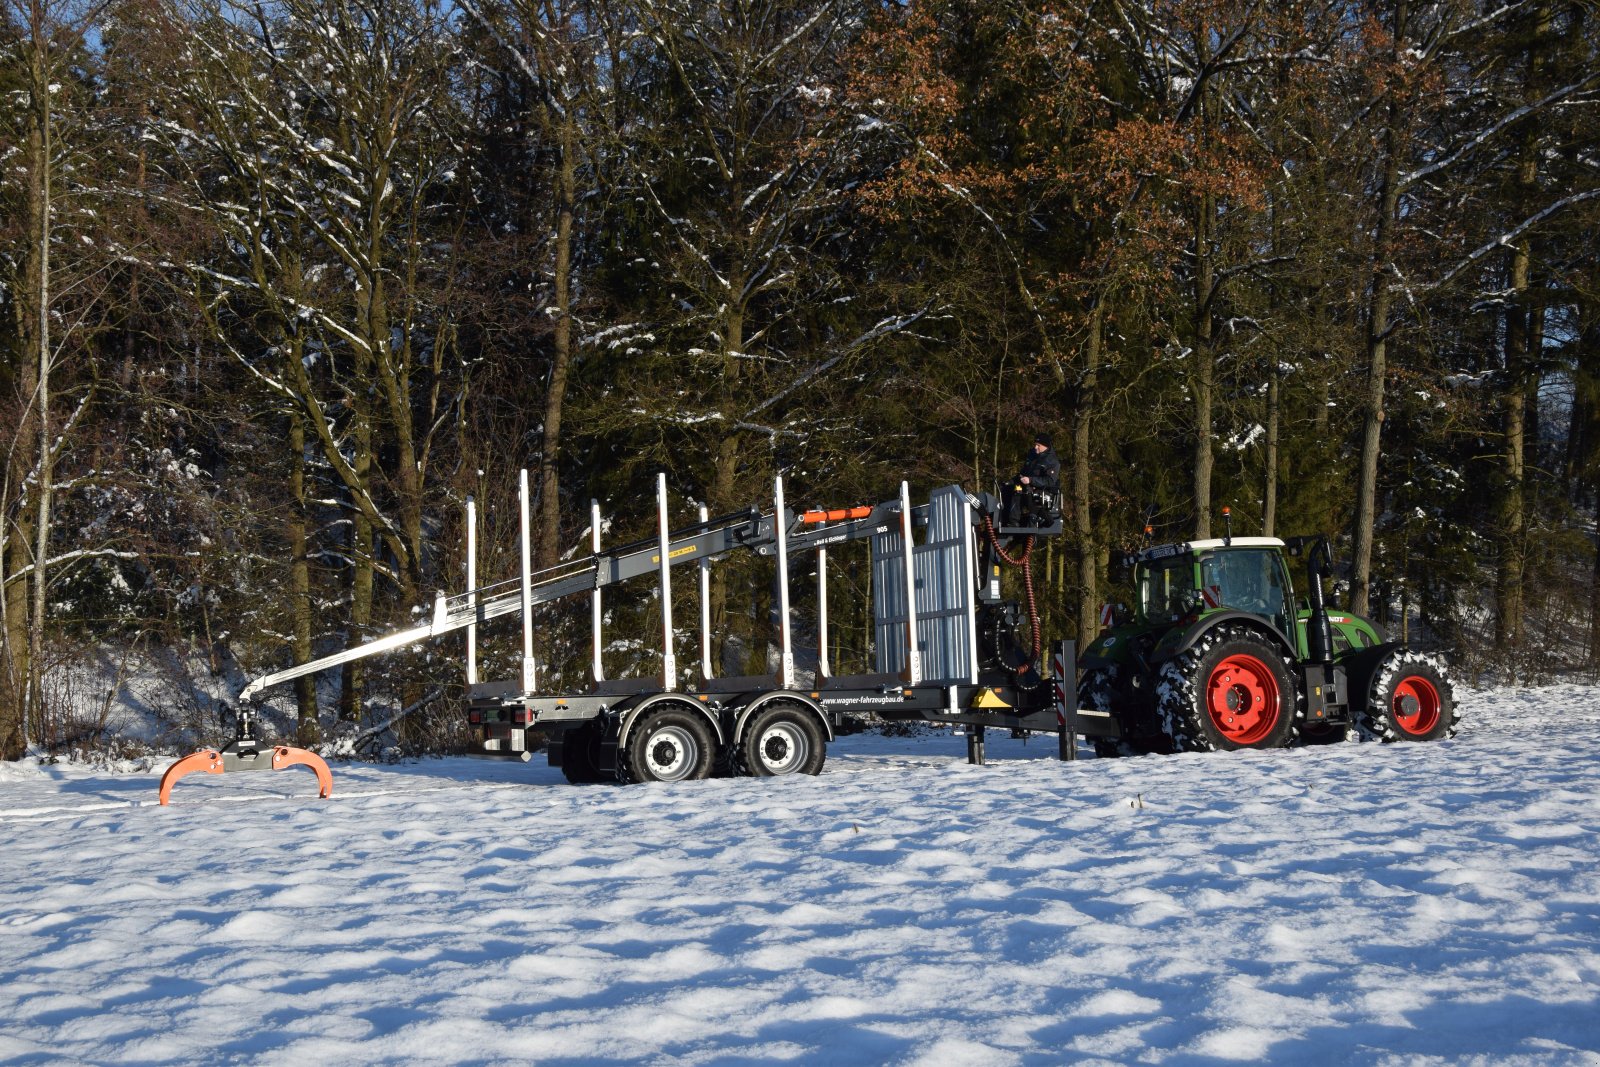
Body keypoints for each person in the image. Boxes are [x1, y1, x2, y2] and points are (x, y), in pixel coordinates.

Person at [1003, 433, 1061, 527]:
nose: (1035, 447)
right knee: (1007, 489)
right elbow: (1023, 473)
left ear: (1045, 446)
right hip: (1028, 486)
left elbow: (1050, 481)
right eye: (1035, 444)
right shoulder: (1032, 455)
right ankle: (1004, 520)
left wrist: (1031, 480)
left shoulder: (1052, 461)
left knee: (1018, 491)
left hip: (1042, 490)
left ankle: (1013, 523)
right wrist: (1011, 481)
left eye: (1038, 445)